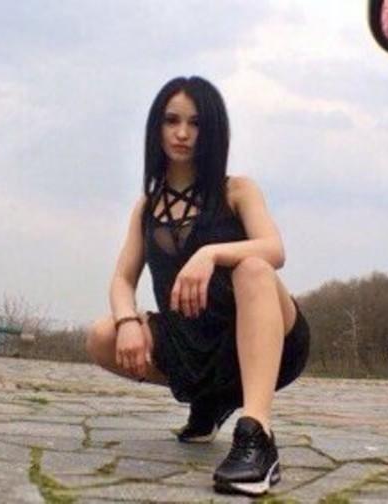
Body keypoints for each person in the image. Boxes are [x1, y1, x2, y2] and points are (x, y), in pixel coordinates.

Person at [84, 75, 310, 496]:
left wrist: (210, 254)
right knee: (102, 335)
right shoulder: (147, 207)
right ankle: (210, 400)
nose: (183, 133)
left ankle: (257, 434)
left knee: (254, 268)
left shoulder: (237, 190)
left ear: (213, 131)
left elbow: (275, 249)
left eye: (196, 123)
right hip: (191, 343)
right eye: (172, 121)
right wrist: (128, 321)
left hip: (267, 341)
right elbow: (122, 279)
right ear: (157, 127)